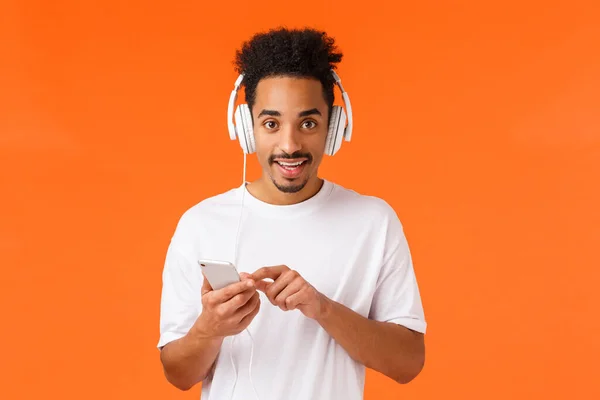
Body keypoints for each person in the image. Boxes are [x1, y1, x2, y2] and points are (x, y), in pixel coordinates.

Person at [157, 26, 427, 400]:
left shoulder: (374, 222)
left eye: (308, 123)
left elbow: (408, 363)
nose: (289, 144)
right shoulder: (200, 224)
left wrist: (322, 308)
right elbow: (178, 375)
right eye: (271, 123)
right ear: (246, 128)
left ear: (333, 128)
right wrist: (210, 328)